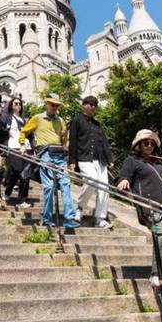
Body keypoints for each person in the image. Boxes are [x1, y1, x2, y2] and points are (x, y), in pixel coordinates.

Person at [116, 129, 162, 294]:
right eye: (146, 143)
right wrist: (123, 180)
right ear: (138, 145)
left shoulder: (160, 165)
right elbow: (123, 176)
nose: (149, 145)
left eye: (152, 143)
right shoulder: (133, 161)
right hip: (149, 210)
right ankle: (156, 274)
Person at [19, 93, 79, 229]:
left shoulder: (61, 120)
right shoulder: (37, 118)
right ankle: (47, 218)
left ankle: (69, 217)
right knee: (49, 187)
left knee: (65, 183)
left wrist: (64, 137)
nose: (54, 107)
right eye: (52, 104)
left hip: (59, 154)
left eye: (56, 105)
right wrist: (22, 145)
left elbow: (63, 141)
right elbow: (23, 131)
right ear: (46, 104)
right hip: (45, 153)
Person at [70, 95, 113, 229]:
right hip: (84, 158)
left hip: (100, 160)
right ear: (84, 105)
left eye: (94, 104)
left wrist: (110, 159)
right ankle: (80, 208)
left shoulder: (97, 124)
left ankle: (100, 219)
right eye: (89, 104)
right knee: (92, 180)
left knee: (104, 188)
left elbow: (104, 142)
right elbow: (73, 141)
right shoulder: (76, 121)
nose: (92, 106)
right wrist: (72, 160)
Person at [2, 97, 32, 208]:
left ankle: (22, 199)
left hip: (26, 147)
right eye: (15, 103)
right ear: (11, 105)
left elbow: (30, 134)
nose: (18, 105)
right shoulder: (7, 117)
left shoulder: (24, 120)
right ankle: (7, 192)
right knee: (16, 170)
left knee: (26, 174)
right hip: (14, 146)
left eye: (20, 104)